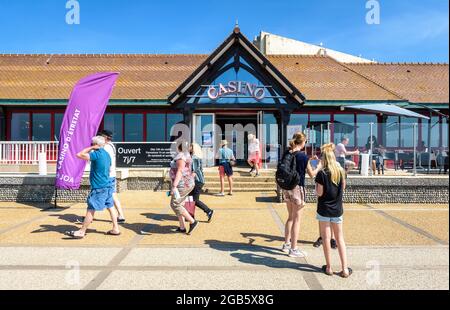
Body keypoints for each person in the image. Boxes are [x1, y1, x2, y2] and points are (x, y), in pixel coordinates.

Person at [65, 136, 120, 239]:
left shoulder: (96, 154)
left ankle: (82, 231)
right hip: (107, 184)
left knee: (91, 208)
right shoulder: (107, 154)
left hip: (99, 187)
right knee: (110, 206)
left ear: (95, 144)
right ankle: (115, 228)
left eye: (92, 143)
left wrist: (91, 148)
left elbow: (79, 154)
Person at [281, 132, 322, 258]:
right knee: (297, 220)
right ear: (303, 142)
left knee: (290, 217)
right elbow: (312, 174)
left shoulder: (287, 153)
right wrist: (319, 166)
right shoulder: (303, 156)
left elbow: (294, 161)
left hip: (287, 187)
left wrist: (309, 159)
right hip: (298, 189)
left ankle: (286, 244)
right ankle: (294, 249)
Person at [315, 143, 352, 278]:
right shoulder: (341, 172)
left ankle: (329, 267)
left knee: (325, 238)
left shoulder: (321, 174)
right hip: (337, 209)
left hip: (324, 209)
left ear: (324, 159)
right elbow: (343, 188)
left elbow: (319, 193)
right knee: (339, 238)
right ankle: (345, 269)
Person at [169, 140, 199, 234]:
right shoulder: (186, 155)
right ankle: (182, 227)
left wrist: (174, 186)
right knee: (180, 204)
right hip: (186, 183)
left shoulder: (181, 156)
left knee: (175, 204)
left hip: (182, 184)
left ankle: (192, 222)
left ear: (178, 147)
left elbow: (180, 171)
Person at [98, 129, 126, 223]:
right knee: (113, 195)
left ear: (105, 137)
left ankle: (90, 214)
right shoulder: (111, 146)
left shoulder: (106, 147)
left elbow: (105, 162)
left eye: (101, 136)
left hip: (107, 175)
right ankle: (121, 215)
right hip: (111, 174)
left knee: (99, 195)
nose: (100, 138)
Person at [189, 142, 214, 222]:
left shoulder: (194, 158)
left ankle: (208, 211)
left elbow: (194, 171)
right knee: (190, 198)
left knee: (194, 199)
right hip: (200, 180)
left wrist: (188, 180)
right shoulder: (198, 157)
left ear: (193, 148)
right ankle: (190, 215)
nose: (189, 147)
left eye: (190, 146)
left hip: (197, 181)